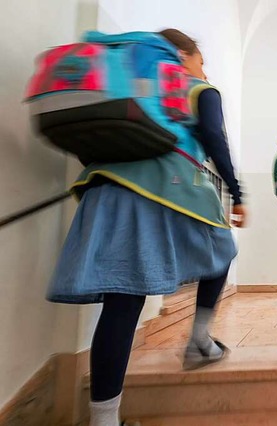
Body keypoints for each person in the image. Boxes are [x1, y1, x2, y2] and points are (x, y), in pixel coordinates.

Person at [47, 29, 245, 426]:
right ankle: (200, 341)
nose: (203, 70)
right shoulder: (198, 90)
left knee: (122, 302)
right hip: (163, 190)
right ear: (184, 55)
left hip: (104, 188)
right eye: (201, 61)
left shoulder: (125, 80)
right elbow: (213, 138)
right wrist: (237, 192)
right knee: (223, 252)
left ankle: (104, 419)